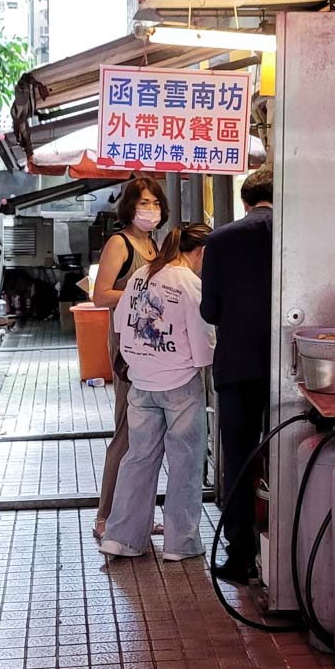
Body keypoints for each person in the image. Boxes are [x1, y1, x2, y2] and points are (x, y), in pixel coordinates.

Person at [100, 223, 215, 561]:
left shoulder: (141, 275)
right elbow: (202, 343)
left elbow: (121, 324)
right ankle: (181, 544)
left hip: (141, 382)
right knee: (185, 463)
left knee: (138, 459)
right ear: (201, 251)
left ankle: (121, 537)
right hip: (179, 384)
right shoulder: (190, 284)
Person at [199, 167, 274, 584]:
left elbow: (209, 311)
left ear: (244, 201)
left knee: (240, 457)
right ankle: (286, 551)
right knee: (291, 451)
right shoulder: (296, 233)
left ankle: (242, 556)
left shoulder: (221, 239)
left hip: (239, 365)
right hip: (291, 365)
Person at [91, 175, 167, 540]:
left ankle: (137, 513)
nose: (150, 210)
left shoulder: (154, 245)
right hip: (129, 348)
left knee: (149, 435)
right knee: (126, 430)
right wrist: (143, 293)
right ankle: (105, 515)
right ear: (129, 208)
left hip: (155, 347)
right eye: (143, 203)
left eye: (154, 204)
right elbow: (100, 295)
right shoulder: (119, 244)